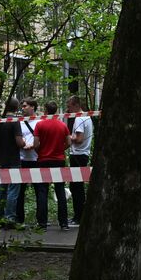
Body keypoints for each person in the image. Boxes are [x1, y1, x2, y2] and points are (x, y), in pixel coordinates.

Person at [33, 100, 70, 229]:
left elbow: (36, 144)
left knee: (42, 191)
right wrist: (60, 150)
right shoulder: (62, 125)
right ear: (56, 111)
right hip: (59, 160)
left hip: (43, 160)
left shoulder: (40, 125)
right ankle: (64, 222)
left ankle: (42, 223)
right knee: (60, 191)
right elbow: (69, 143)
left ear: (46, 110)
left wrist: (41, 151)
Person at [0, 98, 23, 220]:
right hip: (14, 160)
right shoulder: (15, 121)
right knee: (13, 191)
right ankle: (10, 218)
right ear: (17, 108)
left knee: (0, 189)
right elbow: (19, 142)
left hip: (1, 160)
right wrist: (25, 143)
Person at [66, 96, 94, 227]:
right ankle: (80, 215)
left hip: (77, 154)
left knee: (76, 187)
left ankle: (78, 217)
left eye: (70, 106)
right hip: (84, 154)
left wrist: (68, 137)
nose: (68, 109)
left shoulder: (79, 118)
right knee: (78, 186)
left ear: (76, 105)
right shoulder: (88, 117)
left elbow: (79, 139)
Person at [14, 98, 41, 224]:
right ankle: (20, 220)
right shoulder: (18, 122)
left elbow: (43, 139)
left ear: (33, 107)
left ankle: (41, 221)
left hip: (36, 159)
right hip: (22, 159)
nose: (22, 108)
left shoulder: (40, 122)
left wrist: (35, 145)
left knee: (39, 191)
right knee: (20, 191)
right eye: (22, 106)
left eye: (25, 106)